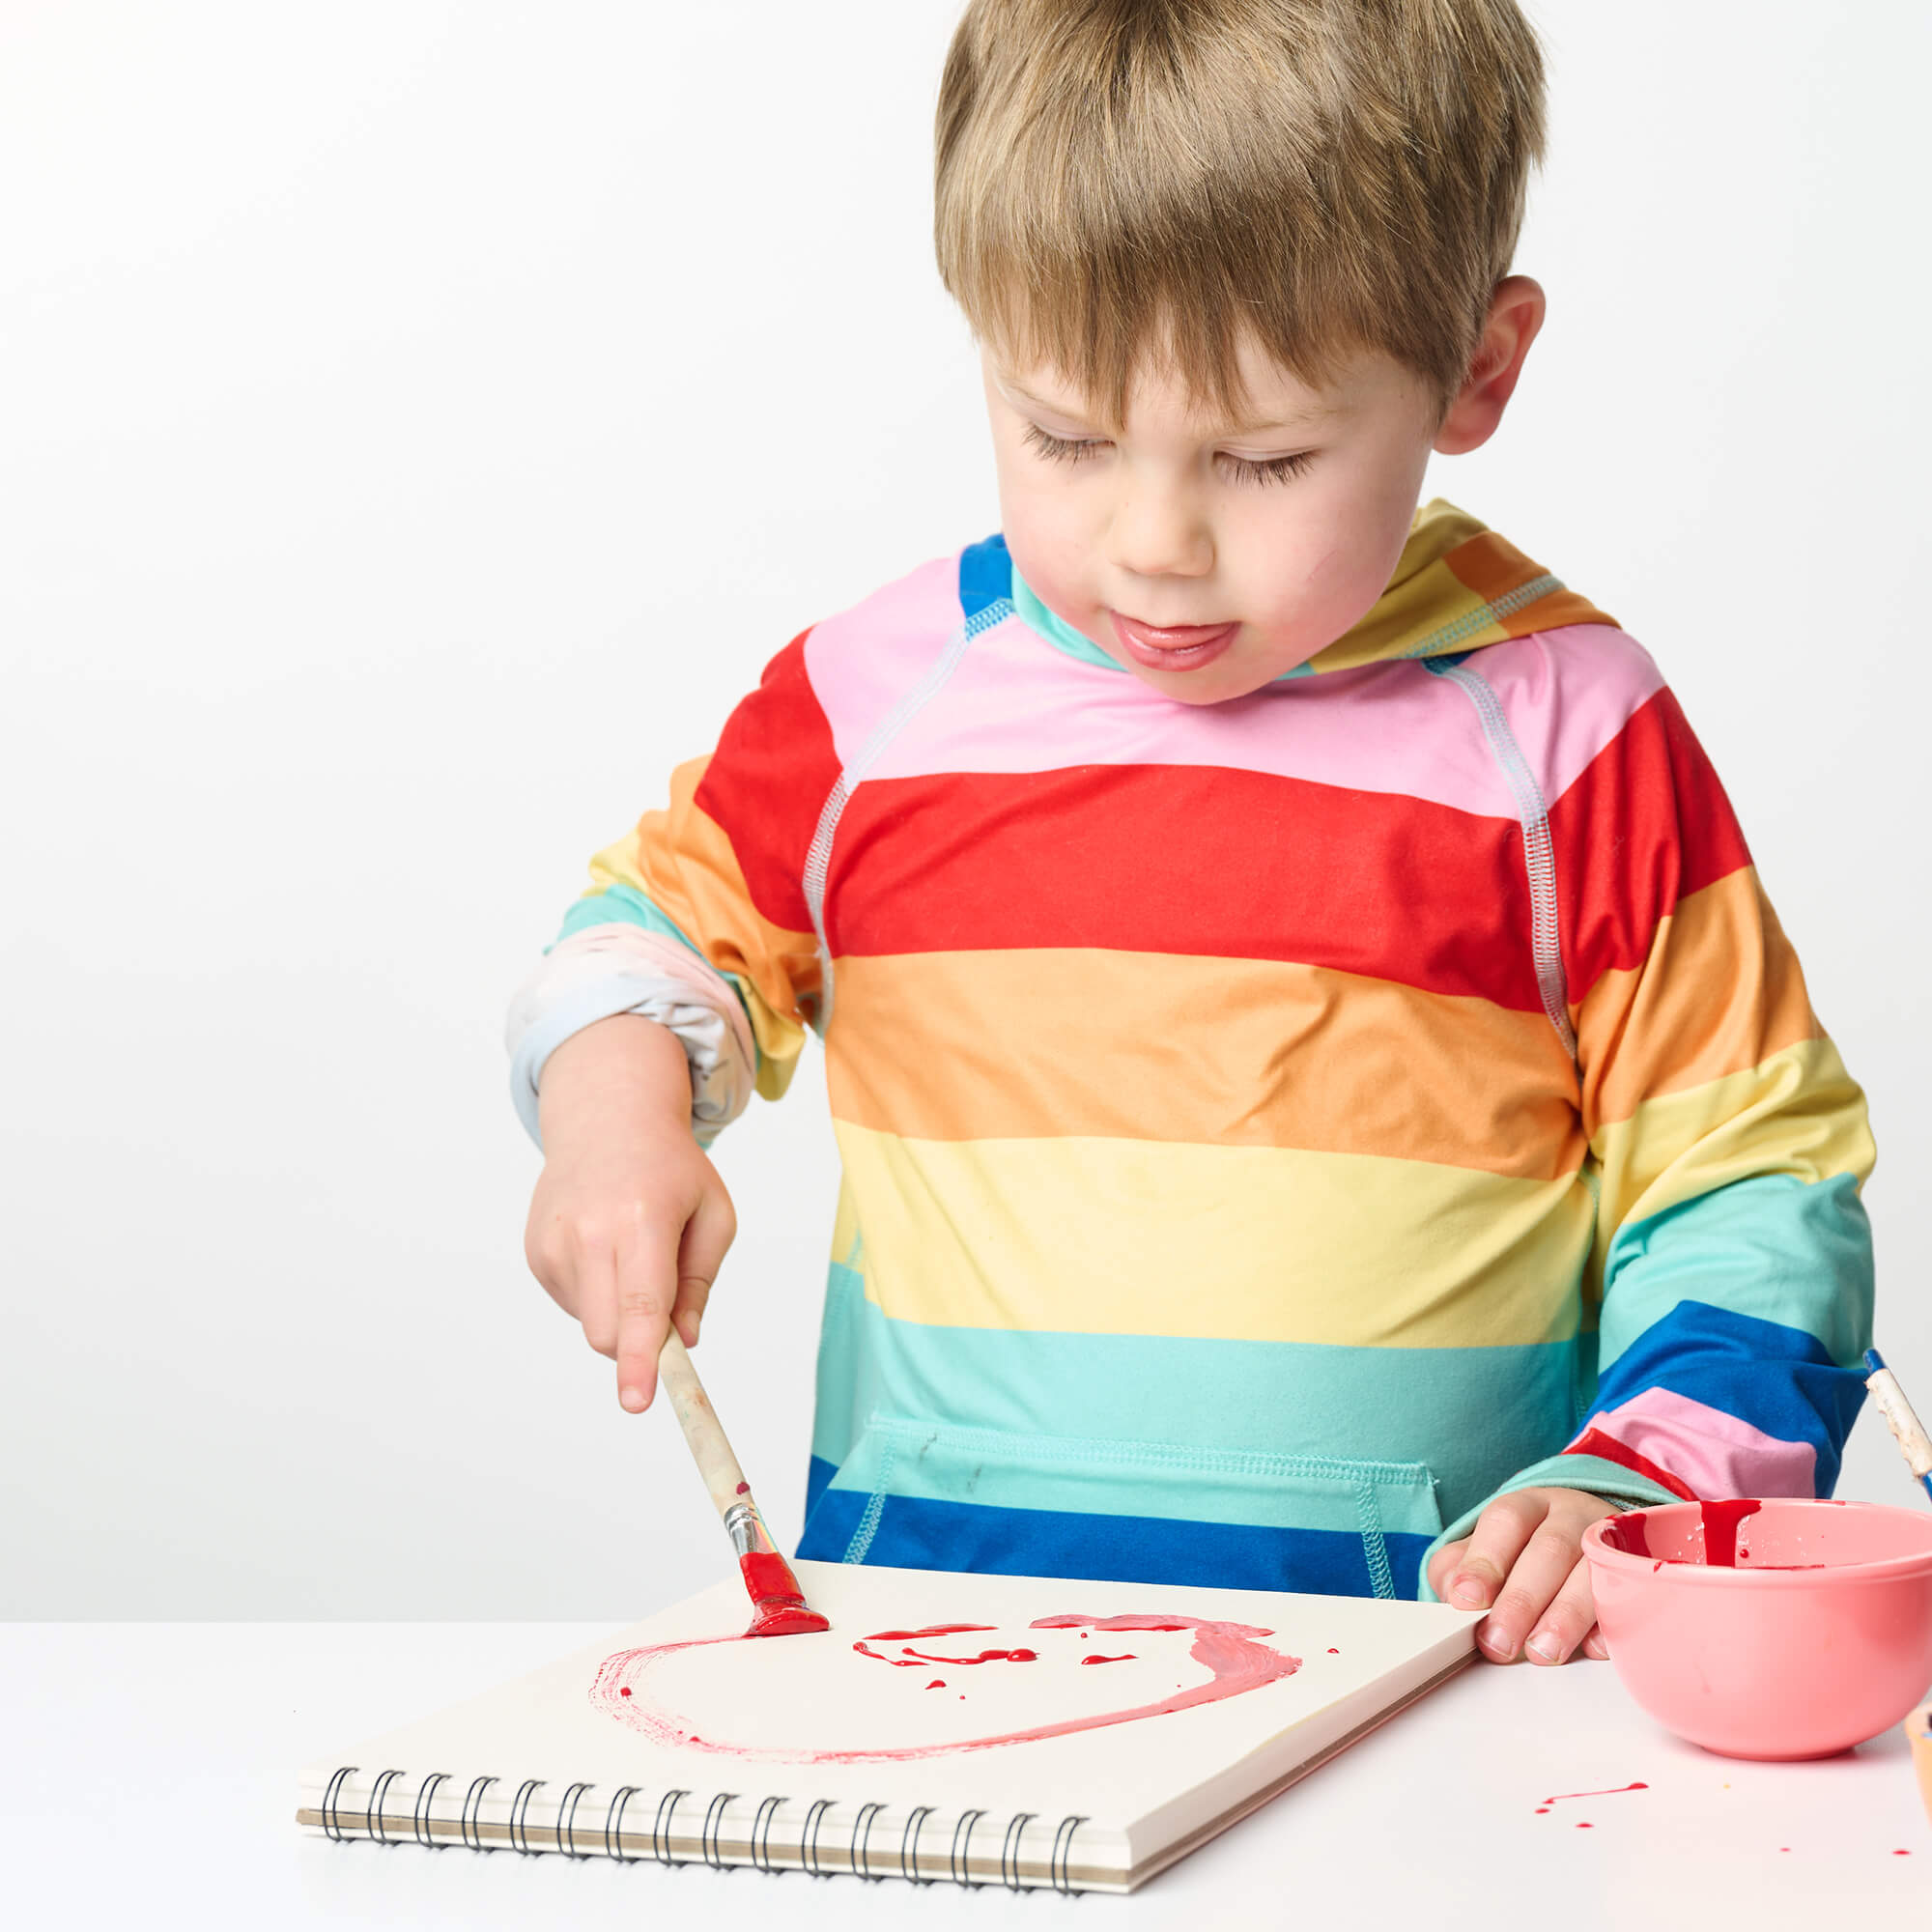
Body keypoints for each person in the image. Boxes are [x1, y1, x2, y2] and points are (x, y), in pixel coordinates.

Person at [507, 0, 1874, 1670]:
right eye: (1065, 436)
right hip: (927, 1654)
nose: (1154, 543)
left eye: (1266, 456)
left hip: (1420, 1689)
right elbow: (646, 937)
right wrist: (616, 1127)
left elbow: (1755, 1181)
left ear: (1478, 369)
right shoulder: (880, 703)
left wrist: (1638, 1482)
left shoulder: (1570, 738)